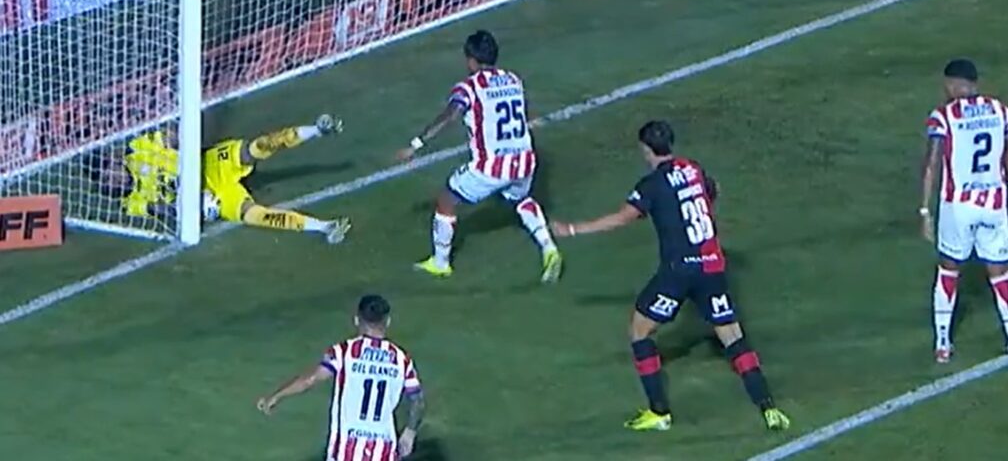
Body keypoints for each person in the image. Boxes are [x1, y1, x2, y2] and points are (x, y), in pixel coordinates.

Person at [551, 121, 790, 432]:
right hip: (712, 266)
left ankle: (659, 412)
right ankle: (768, 408)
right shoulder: (693, 168)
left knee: (639, 330)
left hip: (679, 272)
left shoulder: (651, 185)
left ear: (645, 149)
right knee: (732, 336)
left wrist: (573, 229)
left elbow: (624, 217)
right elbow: (713, 190)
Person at [396, 30, 562, 283]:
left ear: (471, 60)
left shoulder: (469, 87)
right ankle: (549, 247)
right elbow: (525, 113)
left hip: (491, 167)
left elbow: (450, 116)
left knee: (447, 199)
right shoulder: (513, 79)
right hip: (525, 160)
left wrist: (415, 144)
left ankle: (440, 263)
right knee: (521, 199)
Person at [921, 58, 1008, 368]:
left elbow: (932, 164)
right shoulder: (1000, 110)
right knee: (1000, 275)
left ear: (953, 84)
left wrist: (926, 210)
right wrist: (998, 182)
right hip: (994, 204)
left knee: (949, 270)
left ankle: (942, 343)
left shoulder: (943, 116)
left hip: (958, 206)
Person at [116, 114, 350, 243]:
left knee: (257, 147)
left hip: (208, 165)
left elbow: (170, 135)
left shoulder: (137, 150)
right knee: (257, 216)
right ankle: (325, 227)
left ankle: (318, 129)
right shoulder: (131, 203)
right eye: (107, 180)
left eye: (110, 171)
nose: (113, 178)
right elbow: (164, 211)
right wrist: (194, 206)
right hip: (212, 195)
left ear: (115, 162)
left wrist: (180, 145)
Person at [257, 294, 426, 460]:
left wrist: (276, 396)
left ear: (357, 320)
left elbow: (311, 379)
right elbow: (417, 400)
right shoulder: (401, 359)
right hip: (383, 451)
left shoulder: (344, 352)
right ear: (387, 321)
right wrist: (410, 432)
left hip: (346, 451)